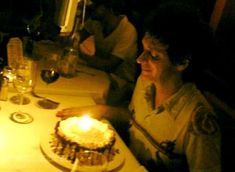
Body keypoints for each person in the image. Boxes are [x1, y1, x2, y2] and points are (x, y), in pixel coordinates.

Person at [56, 2, 221, 171]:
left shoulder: (198, 122)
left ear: (181, 62)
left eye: (154, 55)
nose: (140, 59)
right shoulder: (145, 82)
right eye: (144, 49)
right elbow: (135, 118)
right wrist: (101, 110)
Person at [76, 0, 138, 105]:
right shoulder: (95, 22)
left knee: (85, 99)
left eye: (95, 5)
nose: (90, 8)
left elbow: (110, 65)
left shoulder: (128, 31)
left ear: (108, 8)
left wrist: (81, 55)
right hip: (98, 73)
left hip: (120, 83)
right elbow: (76, 38)